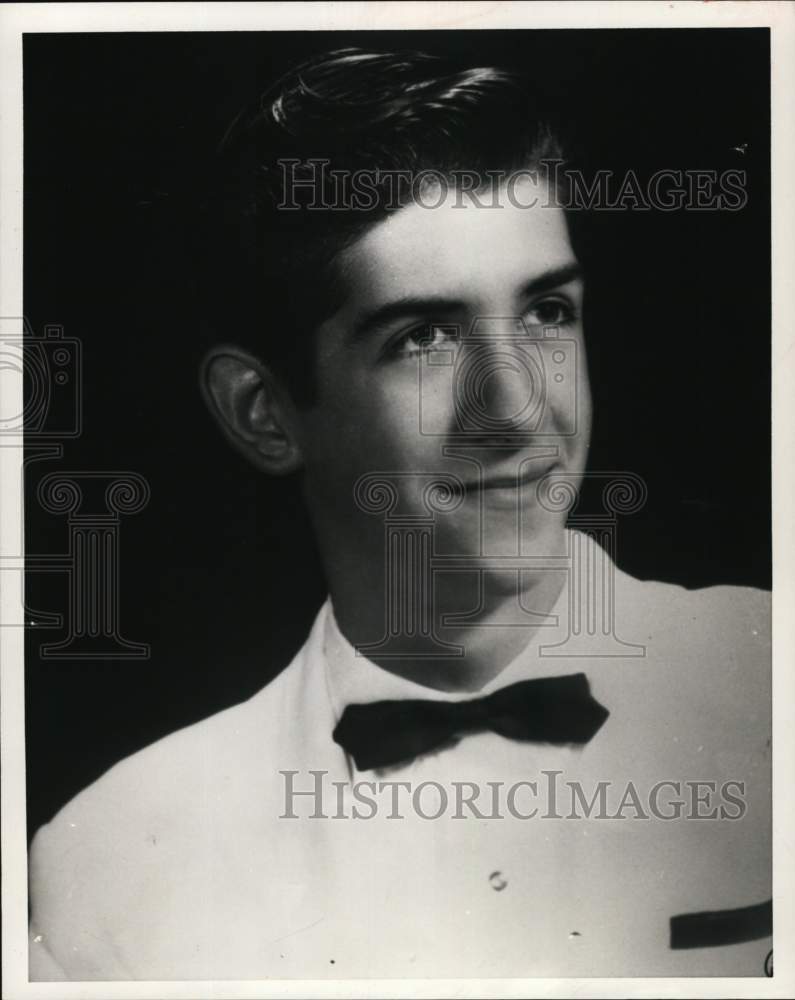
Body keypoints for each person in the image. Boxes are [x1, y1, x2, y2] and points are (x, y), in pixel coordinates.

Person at [28, 48, 771, 980]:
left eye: (546, 313)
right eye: (423, 336)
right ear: (262, 413)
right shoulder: (106, 870)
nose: (516, 408)